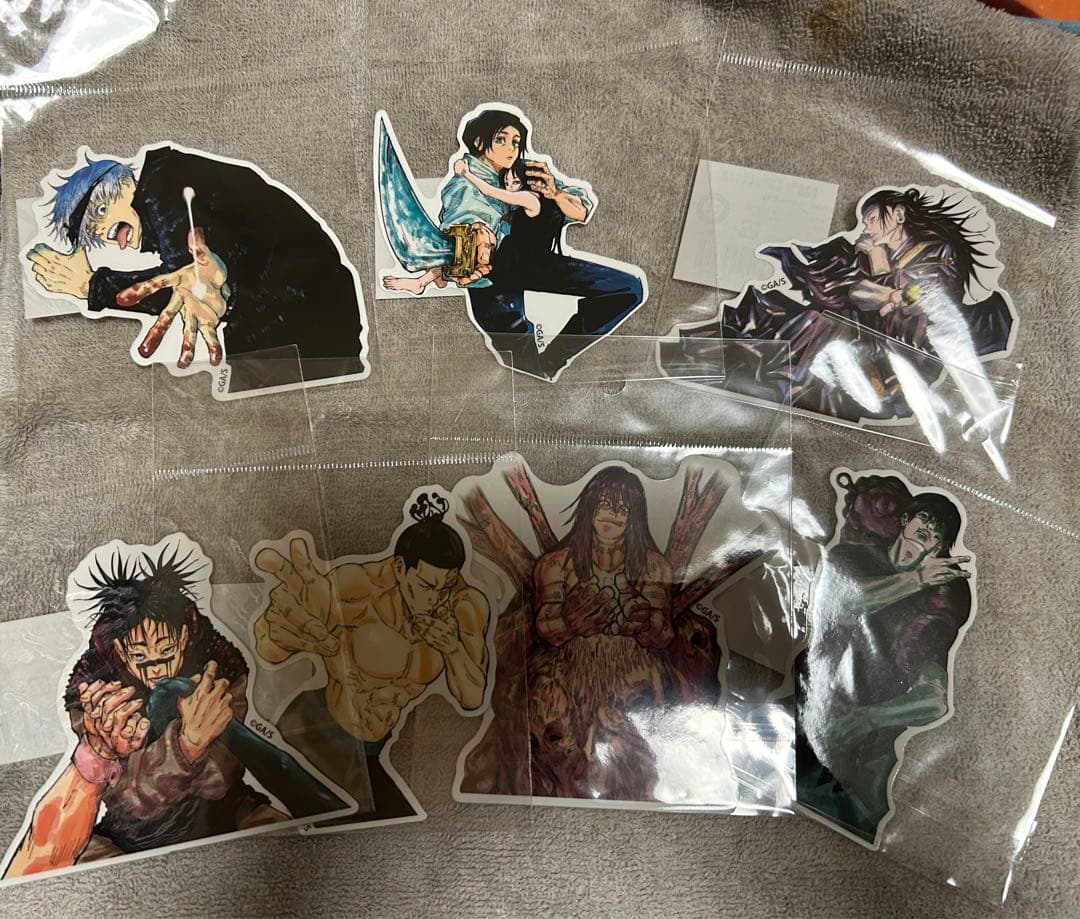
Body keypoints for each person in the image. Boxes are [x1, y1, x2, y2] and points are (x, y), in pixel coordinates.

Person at [3, 546, 287, 877]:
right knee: (73, 867)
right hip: (129, 835)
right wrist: (185, 747)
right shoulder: (96, 697)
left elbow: (218, 781)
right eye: (140, 657)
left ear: (183, 638)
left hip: (226, 814)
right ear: (122, 651)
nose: (156, 670)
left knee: (287, 841)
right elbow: (130, 799)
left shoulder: (222, 672)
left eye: (166, 652)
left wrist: (187, 749)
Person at [26, 145, 367, 393]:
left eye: (100, 212)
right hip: (293, 319)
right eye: (95, 232)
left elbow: (184, 280)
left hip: (303, 318)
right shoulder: (172, 189)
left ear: (125, 183)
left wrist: (93, 286)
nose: (104, 232)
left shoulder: (162, 182)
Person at [660, 186, 1014, 422]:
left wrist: (881, 272)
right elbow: (856, 294)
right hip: (859, 334)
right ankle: (724, 361)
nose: (867, 227)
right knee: (782, 313)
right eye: (865, 221)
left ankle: (777, 376)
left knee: (818, 326)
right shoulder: (870, 252)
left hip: (900, 356)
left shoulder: (938, 253)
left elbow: (919, 310)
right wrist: (881, 287)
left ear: (898, 215)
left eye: (872, 218)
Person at [253, 495, 490, 823]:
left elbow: (472, 696)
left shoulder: (464, 606)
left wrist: (452, 648)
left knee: (394, 832)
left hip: (372, 752)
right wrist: (287, 626)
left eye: (445, 587)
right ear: (399, 568)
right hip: (313, 731)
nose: (435, 599)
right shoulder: (362, 588)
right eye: (425, 585)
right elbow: (271, 644)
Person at [797, 474, 973, 843]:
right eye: (919, 532)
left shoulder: (932, 605)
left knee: (849, 836)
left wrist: (866, 720)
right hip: (808, 709)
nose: (919, 547)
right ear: (904, 522)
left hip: (867, 754)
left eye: (931, 543)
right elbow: (845, 604)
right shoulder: (850, 558)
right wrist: (915, 580)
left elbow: (935, 698)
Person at [436, 108, 646, 381]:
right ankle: (541, 367)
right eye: (501, 139)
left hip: (535, 262)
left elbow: (580, 210)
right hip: (495, 276)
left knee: (628, 288)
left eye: (516, 142)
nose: (511, 148)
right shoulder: (463, 186)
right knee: (521, 357)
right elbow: (469, 223)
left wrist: (554, 193)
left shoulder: (523, 172)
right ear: (478, 142)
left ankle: (552, 360)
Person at [527, 467, 675, 799]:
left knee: (631, 759)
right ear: (590, 508)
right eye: (605, 504)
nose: (612, 514)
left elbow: (665, 633)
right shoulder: (555, 564)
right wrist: (568, 622)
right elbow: (544, 626)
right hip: (568, 671)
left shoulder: (654, 566)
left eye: (622, 507)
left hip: (632, 675)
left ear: (635, 516)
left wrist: (644, 624)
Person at [382, 158, 541, 295]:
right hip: (510, 252)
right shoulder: (515, 204)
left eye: (516, 182)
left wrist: (465, 172)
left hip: (521, 259)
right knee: (468, 245)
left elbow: (489, 192)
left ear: (526, 182)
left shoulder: (530, 198)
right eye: (506, 182)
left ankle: (424, 281)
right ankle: (428, 279)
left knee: (474, 244)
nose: (509, 187)